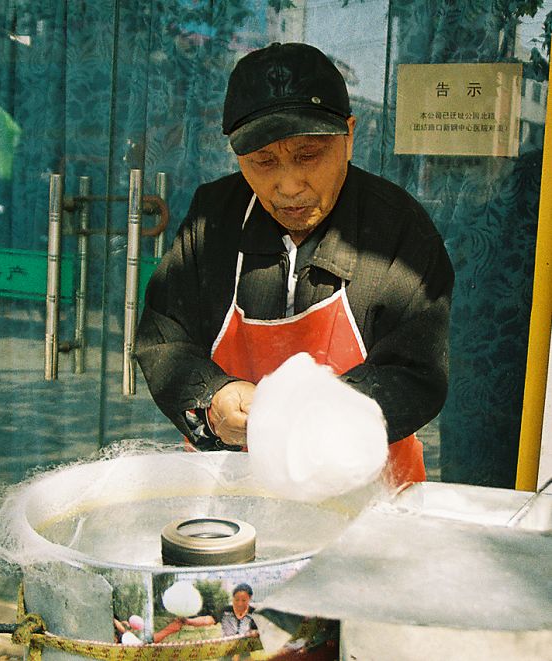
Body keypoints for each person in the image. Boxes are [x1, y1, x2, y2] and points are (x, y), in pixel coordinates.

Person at [136, 42, 454, 485]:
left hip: (371, 497)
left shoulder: (398, 230)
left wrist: (324, 414)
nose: (287, 186)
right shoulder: (215, 218)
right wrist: (212, 396)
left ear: (349, 136)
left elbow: (417, 373)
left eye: (307, 155)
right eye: (263, 161)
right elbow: (165, 336)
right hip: (234, 489)